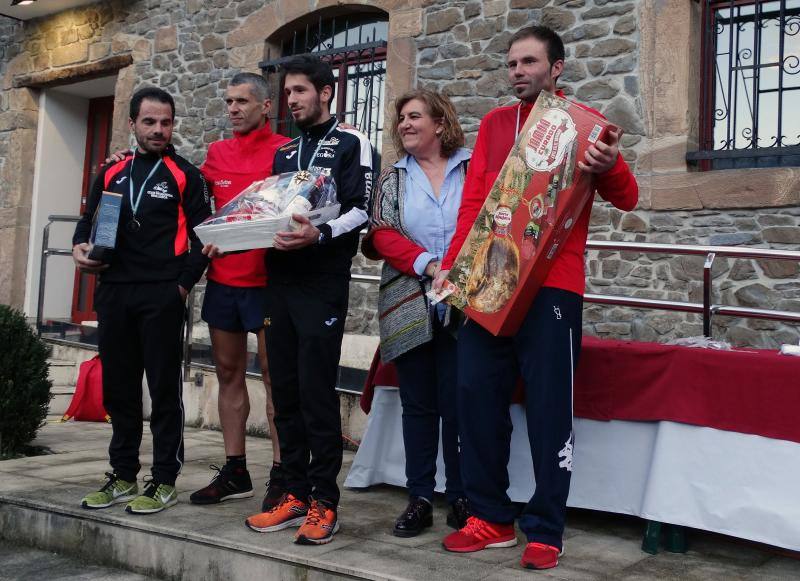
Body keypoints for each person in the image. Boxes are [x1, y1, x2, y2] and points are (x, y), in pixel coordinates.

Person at [434, 25, 638, 569]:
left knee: (550, 409)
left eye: (528, 62)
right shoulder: (498, 124)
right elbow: (474, 201)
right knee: (475, 394)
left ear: (557, 68)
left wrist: (609, 165)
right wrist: (454, 268)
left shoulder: (586, 125)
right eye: (512, 64)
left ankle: (547, 527)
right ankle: (490, 517)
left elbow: (629, 196)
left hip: (553, 285)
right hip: (487, 283)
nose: (517, 71)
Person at [242, 55, 373, 545]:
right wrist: (234, 233)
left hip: (322, 282)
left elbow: (364, 210)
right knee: (286, 394)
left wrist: (318, 236)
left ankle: (325, 502)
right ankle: (293, 492)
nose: (292, 100)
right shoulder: (284, 153)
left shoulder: (352, 142)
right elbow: (267, 214)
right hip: (279, 282)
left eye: (299, 91)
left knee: (317, 394)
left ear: (325, 92)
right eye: (287, 93)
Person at [72, 86, 211, 514]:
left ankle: (165, 480)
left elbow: (205, 239)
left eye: (165, 122)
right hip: (113, 291)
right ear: (132, 124)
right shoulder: (112, 172)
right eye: (149, 122)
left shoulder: (185, 174)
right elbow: (86, 222)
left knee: (164, 390)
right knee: (119, 388)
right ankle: (123, 475)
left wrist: (182, 287)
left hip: (161, 294)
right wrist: (79, 248)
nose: (158, 130)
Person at [361, 89, 470, 537]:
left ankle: (463, 494)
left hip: (466, 299)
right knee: (419, 406)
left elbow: (492, 218)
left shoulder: (473, 165)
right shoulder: (393, 178)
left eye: (414, 116)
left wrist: (458, 270)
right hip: (409, 300)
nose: (404, 124)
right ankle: (420, 497)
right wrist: (429, 264)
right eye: (401, 118)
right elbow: (381, 234)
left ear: (440, 123)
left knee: (461, 404)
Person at [188, 73, 291, 510]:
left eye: (242, 102)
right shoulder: (216, 152)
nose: (232, 109)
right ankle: (236, 471)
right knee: (228, 375)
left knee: (276, 380)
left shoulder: (286, 150)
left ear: (265, 106)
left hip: (269, 284)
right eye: (228, 101)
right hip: (223, 282)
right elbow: (188, 192)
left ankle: (284, 475)